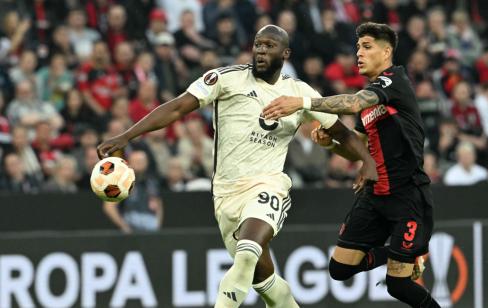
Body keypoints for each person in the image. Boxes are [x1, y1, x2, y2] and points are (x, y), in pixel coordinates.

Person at [97, 25, 376, 308]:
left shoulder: (298, 92)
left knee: (246, 255)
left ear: (286, 53)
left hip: (267, 185)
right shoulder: (226, 79)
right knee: (265, 283)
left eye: (269, 46)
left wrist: (367, 161)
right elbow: (178, 107)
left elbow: (342, 134)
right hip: (226, 194)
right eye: (258, 45)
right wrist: (127, 135)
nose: (261, 51)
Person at [263, 22, 441, 308]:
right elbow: (357, 149)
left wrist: (302, 102)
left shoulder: (394, 82)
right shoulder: (372, 97)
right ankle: (406, 253)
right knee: (339, 269)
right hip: (374, 197)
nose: (359, 52)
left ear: (386, 52)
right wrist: (331, 145)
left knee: (398, 285)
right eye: (358, 47)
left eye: (367, 47)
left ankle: (408, 254)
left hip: (408, 196)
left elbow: (354, 102)